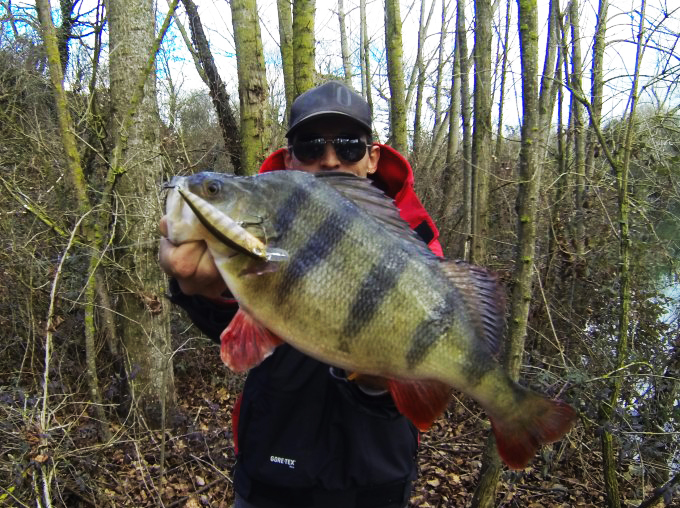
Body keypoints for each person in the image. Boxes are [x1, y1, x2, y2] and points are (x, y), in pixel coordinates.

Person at [159, 81, 443, 508]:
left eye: (348, 145)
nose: (329, 159)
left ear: (372, 158)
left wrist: (378, 383)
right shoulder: (258, 213)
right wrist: (203, 289)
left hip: (375, 480)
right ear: (289, 157)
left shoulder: (413, 237)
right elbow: (232, 321)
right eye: (310, 146)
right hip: (272, 473)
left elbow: (432, 351)